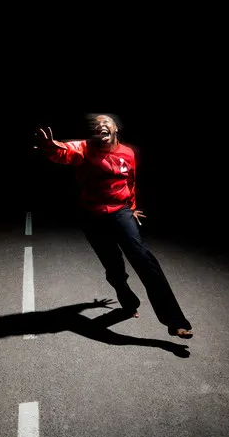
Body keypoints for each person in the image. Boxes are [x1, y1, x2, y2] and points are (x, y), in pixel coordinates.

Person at [35, 113, 193, 339]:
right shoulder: (86, 148)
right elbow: (64, 152)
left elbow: (131, 181)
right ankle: (128, 301)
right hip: (92, 216)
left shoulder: (128, 153)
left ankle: (175, 321)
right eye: (96, 124)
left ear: (116, 128)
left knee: (144, 260)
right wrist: (51, 147)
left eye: (105, 122)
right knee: (114, 268)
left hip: (120, 213)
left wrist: (132, 206)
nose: (100, 125)